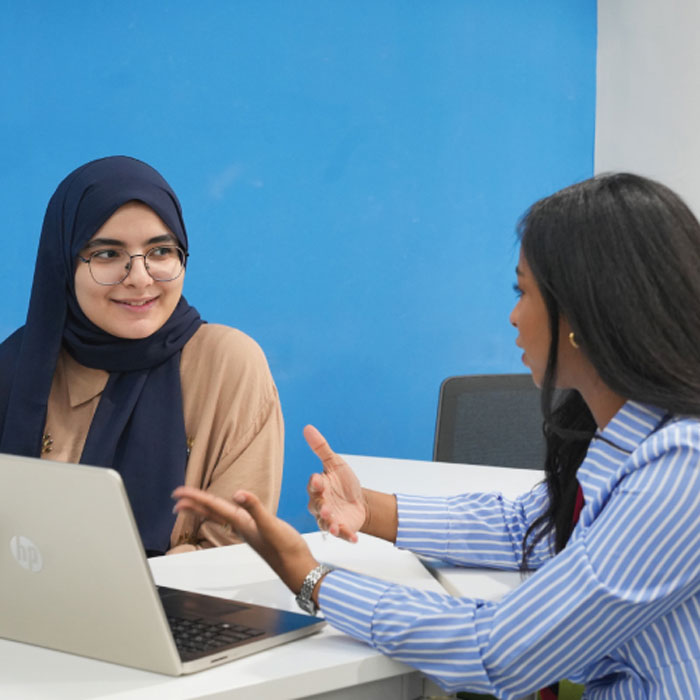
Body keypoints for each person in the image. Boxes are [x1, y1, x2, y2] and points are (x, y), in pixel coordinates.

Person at [173, 173, 700, 699]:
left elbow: (498, 650)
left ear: (583, 312)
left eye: (524, 291)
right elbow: (529, 526)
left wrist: (309, 577)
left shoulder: (681, 471)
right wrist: (370, 510)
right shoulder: (627, 433)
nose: (513, 317)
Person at [0, 156, 283, 556]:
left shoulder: (227, 364)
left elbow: (233, 553)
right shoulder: (17, 369)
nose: (139, 277)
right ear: (64, 265)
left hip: (183, 613)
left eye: (161, 251)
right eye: (106, 254)